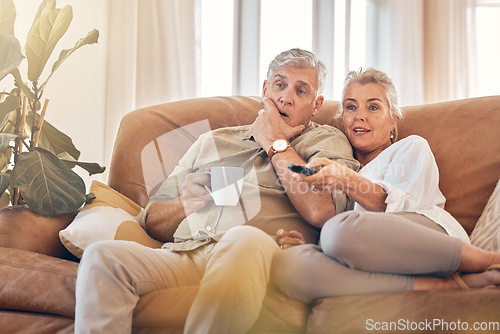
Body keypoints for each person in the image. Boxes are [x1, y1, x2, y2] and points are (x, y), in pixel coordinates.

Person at [74, 48, 359, 333]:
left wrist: (275, 143)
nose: (286, 97)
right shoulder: (213, 141)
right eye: (280, 84)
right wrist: (186, 203)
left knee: (243, 236)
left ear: (316, 104)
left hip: (260, 248)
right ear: (265, 89)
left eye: (301, 91)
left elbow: (321, 210)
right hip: (188, 252)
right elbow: (152, 221)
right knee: (102, 257)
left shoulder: (327, 140)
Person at [272, 68, 500, 304]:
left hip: (429, 240)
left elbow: (398, 211)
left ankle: (485, 260)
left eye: (373, 107)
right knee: (287, 265)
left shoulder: (411, 147)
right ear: (343, 120)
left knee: (337, 231)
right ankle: (444, 287)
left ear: (393, 120)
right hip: (375, 257)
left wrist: (344, 180)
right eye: (351, 107)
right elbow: (357, 242)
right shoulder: (340, 169)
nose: (360, 116)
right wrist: (313, 246)